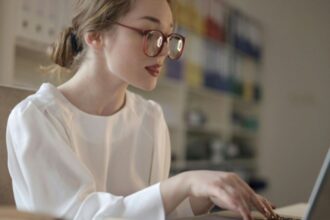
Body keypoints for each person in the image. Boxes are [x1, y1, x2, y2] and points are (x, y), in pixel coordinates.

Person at [6, 0, 278, 219]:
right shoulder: (35, 118)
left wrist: (206, 192)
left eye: (169, 37)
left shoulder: (150, 117)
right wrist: (184, 183)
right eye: (150, 33)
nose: (163, 51)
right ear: (96, 36)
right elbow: (80, 215)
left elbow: (150, 211)